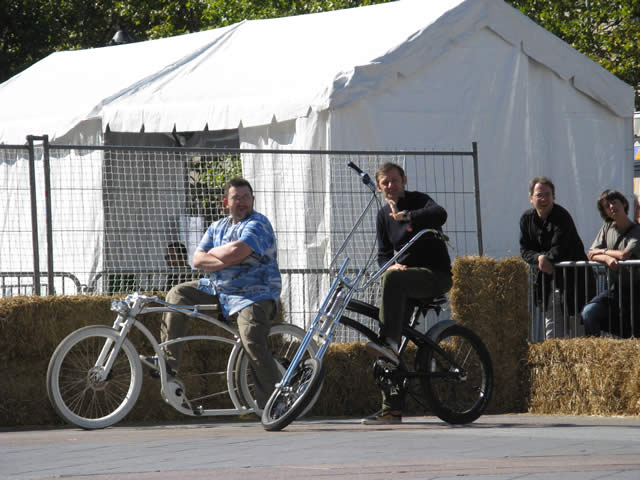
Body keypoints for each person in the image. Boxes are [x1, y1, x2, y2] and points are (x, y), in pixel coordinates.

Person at [142, 178, 282, 408]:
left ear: (253, 200)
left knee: (251, 339)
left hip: (254, 293)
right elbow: (197, 259)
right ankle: (168, 365)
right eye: (237, 198)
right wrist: (221, 261)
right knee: (178, 294)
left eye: (246, 197)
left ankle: (274, 402)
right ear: (225, 202)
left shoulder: (258, 224)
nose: (242, 202)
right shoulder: (217, 227)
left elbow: (238, 251)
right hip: (219, 289)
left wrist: (216, 257)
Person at [361, 162, 452, 425]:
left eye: (395, 181)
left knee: (387, 338)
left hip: (434, 275)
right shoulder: (381, 216)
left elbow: (440, 214)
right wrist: (391, 264)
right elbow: (382, 255)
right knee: (387, 343)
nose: (391, 186)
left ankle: (389, 342)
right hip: (403, 282)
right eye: (385, 182)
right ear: (379, 187)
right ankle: (391, 409)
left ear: (404, 181)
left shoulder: (418, 201)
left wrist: (409, 216)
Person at [519, 176, 592, 339]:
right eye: (539, 195)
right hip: (547, 285)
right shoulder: (526, 219)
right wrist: (539, 258)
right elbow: (524, 250)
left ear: (553, 197)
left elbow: (559, 246)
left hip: (574, 282)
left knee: (577, 333)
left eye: (547, 194)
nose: (543, 199)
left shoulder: (562, 217)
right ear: (531, 198)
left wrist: (546, 259)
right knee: (552, 335)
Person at [582, 190, 640, 338]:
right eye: (607, 206)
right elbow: (591, 253)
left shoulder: (637, 230)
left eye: (614, 202)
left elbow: (624, 255)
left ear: (624, 203)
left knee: (634, 335)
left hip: (636, 290)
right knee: (589, 313)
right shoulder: (607, 228)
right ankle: (594, 355)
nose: (611, 207)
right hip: (615, 289)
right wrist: (607, 259)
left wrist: (603, 252)